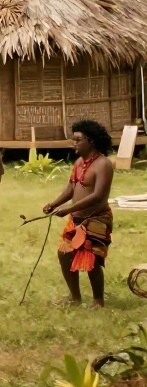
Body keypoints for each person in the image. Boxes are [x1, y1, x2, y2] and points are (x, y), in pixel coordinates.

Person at [43, 119, 115, 308]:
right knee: (64, 254)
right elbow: (71, 188)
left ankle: (98, 300)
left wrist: (68, 209)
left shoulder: (103, 164)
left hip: (97, 217)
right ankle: (75, 297)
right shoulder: (78, 163)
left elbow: (98, 196)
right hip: (77, 219)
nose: (73, 143)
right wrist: (54, 204)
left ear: (90, 141)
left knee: (92, 258)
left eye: (77, 140)